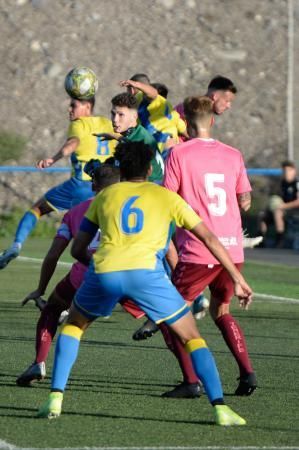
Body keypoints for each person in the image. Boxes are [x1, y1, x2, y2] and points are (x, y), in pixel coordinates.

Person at [37, 140, 252, 426]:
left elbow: (78, 249)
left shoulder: (105, 197)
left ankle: (55, 398)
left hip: (106, 271)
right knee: (192, 337)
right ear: (150, 168)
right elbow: (209, 238)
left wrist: (98, 270)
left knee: (74, 326)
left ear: (121, 168)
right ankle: (221, 409)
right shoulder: (167, 197)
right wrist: (237, 278)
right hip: (147, 276)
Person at [159, 95, 257, 399]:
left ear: (186, 123)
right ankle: (247, 373)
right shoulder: (233, 154)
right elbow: (245, 200)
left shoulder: (178, 154)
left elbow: (167, 199)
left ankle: (191, 380)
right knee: (221, 310)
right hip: (232, 250)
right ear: (211, 121)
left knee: (167, 316)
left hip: (198, 250)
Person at [16, 161, 121, 386]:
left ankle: (39, 362)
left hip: (84, 276)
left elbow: (53, 255)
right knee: (167, 321)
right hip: (129, 274)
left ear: (93, 186)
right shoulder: (132, 208)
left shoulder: (75, 213)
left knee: (53, 309)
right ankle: (191, 377)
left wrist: (40, 289)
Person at [0, 97, 116, 270]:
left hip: (81, 186)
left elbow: (73, 142)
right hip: (107, 187)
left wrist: (53, 159)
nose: (69, 109)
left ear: (87, 106)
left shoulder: (79, 123)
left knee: (38, 209)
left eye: (73, 105)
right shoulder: (107, 123)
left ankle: (16, 245)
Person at [96, 92, 164, 183]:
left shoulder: (139, 141)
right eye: (113, 114)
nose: (115, 119)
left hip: (150, 190)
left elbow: (126, 179)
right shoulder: (135, 133)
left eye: (121, 115)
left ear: (134, 116)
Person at [120, 78, 188, 154]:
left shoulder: (157, 102)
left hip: (160, 151)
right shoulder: (172, 112)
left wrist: (136, 84)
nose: (144, 97)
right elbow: (186, 132)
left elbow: (153, 94)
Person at [258, 160, 299, 247]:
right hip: (283, 209)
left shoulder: (297, 183)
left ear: (293, 171)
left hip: (294, 211)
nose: (286, 173)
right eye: (284, 171)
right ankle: (261, 239)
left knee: (278, 211)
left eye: (288, 171)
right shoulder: (282, 184)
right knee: (262, 214)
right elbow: (276, 199)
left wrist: (283, 206)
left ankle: (279, 240)